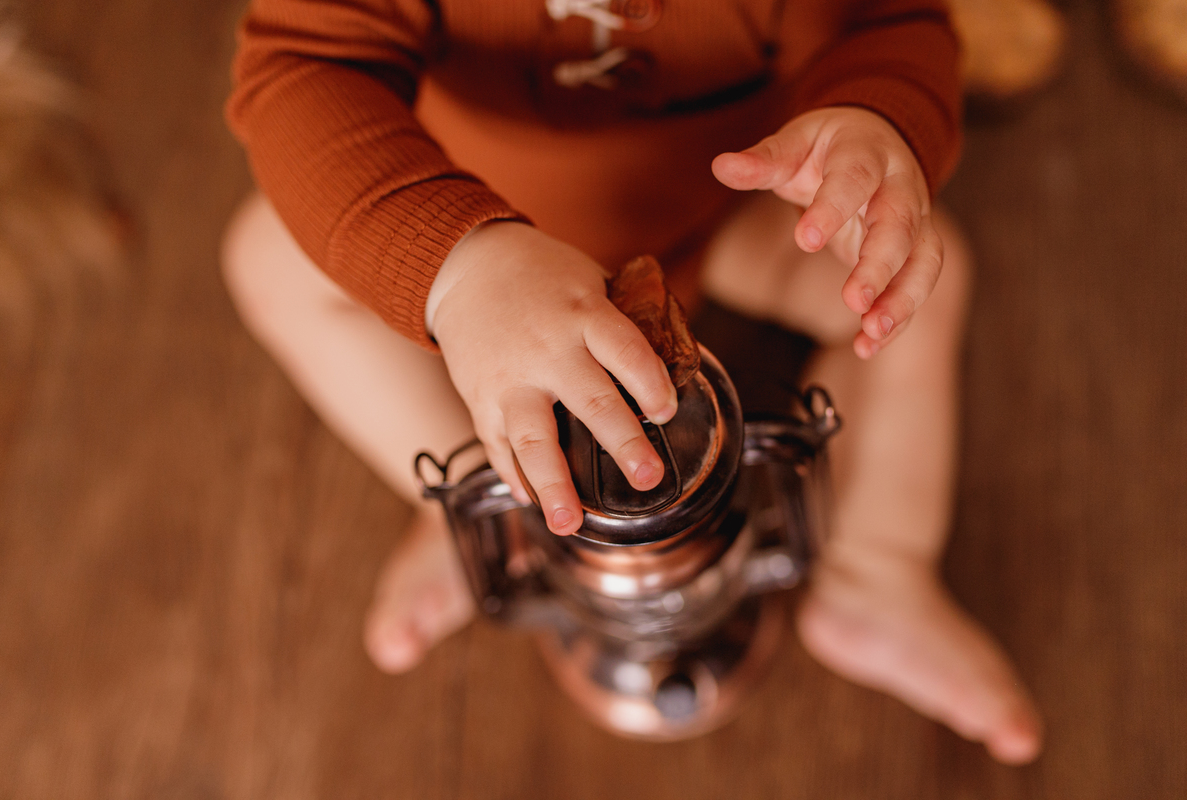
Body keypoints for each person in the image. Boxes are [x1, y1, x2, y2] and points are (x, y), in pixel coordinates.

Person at [222, 0, 1042, 763]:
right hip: (462, 233)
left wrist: (875, 119)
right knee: (265, 258)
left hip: (713, 217)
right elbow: (305, 69)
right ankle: (482, 483)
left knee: (922, 281)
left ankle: (876, 563)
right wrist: (455, 270)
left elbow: (888, 22)